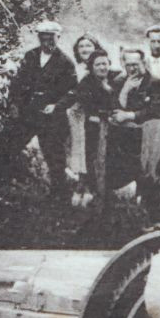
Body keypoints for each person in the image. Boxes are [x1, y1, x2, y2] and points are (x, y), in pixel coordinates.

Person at [113, 48, 160, 228]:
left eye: (136, 64)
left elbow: (155, 109)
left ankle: (159, 221)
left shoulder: (155, 82)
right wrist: (125, 91)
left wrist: (130, 116)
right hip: (123, 138)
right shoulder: (120, 81)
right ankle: (128, 220)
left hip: (147, 137)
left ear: (144, 63)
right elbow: (113, 105)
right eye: (128, 65)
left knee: (150, 176)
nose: (132, 69)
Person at [5, 21, 78, 192]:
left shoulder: (65, 62)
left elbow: (73, 91)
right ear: (39, 38)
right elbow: (17, 82)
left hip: (51, 118)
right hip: (27, 113)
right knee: (9, 147)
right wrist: (14, 104)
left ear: (58, 38)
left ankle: (59, 197)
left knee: (55, 159)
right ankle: (4, 187)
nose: (47, 43)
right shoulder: (30, 56)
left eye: (51, 39)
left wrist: (56, 106)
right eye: (43, 39)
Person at [66, 34, 106, 204]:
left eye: (88, 45)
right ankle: (81, 183)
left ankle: (91, 186)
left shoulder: (100, 67)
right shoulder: (73, 68)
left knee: (92, 150)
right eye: (81, 46)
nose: (85, 49)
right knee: (78, 148)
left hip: (93, 115)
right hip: (76, 113)